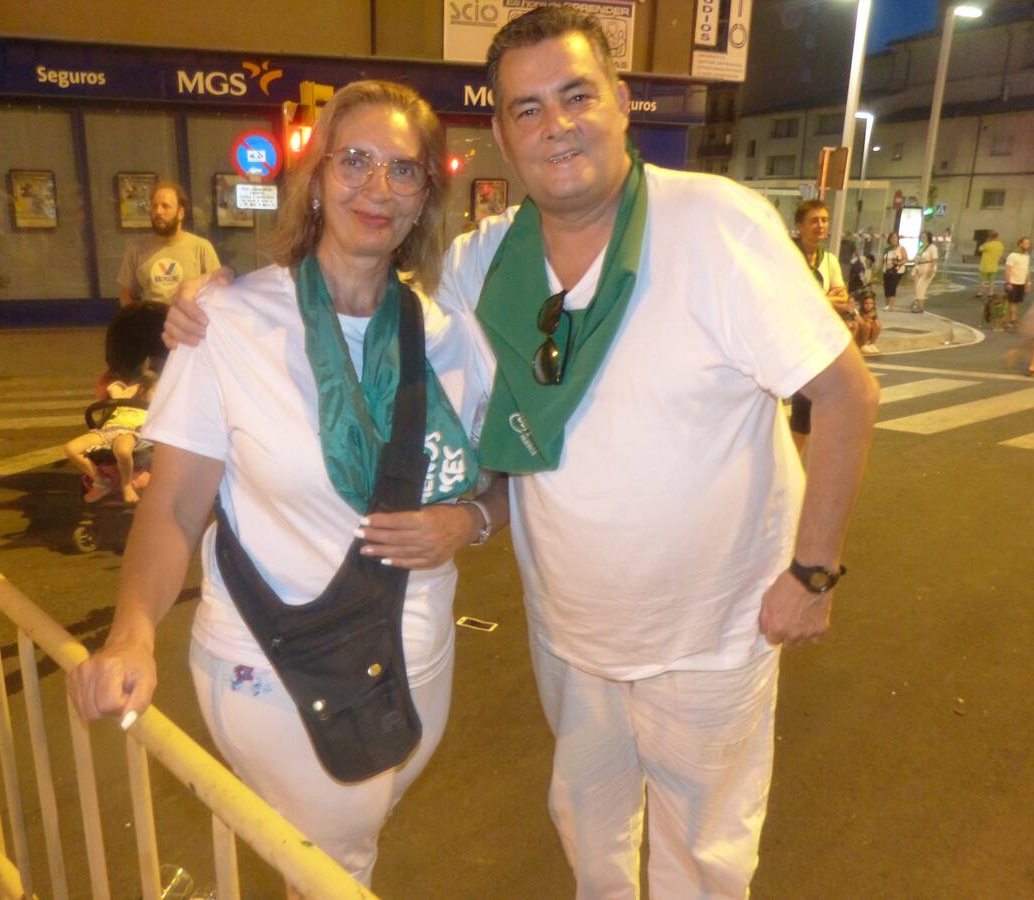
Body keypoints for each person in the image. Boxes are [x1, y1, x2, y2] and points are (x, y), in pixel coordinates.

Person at [167, 9, 879, 897]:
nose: (557, 126)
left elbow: (846, 393)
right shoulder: (485, 263)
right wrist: (221, 292)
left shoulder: (714, 225)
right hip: (571, 631)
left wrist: (813, 572)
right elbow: (362, 287)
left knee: (703, 857)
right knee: (590, 835)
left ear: (621, 103)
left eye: (577, 97)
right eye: (528, 109)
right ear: (502, 136)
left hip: (713, 632)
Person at [69, 80, 508, 890]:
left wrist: (469, 522)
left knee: (339, 850)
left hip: (418, 658)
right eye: (356, 160)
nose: (377, 187)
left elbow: (505, 483)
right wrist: (131, 633)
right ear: (316, 177)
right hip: (276, 662)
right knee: (337, 869)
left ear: (425, 197)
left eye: (403, 170)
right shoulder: (230, 323)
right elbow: (172, 504)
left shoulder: (451, 339)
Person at [790, 199, 863, 446]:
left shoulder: (829, 260)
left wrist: (814, 300)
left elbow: (842, 298)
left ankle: (795, 465)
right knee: (772, 409)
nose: (820, 225)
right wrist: (825, 299)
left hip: (816, 342)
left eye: (824, 220)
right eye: (814, 220)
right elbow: (789, 298)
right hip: (789, 340)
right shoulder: (788, 256)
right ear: (800, 226)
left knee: (804, 409)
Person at [116, 181, 220, 307]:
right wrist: (134, 316)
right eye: (154, 206)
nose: (158, 211)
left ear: (180, 213)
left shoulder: (201, 248)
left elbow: (218, 290)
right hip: (152, 318)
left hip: (189, 318)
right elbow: (125, 292)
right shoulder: (136, 249)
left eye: (165, 206)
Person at [64, 369, 157, 503]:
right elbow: (107, 393)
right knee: (71, 448)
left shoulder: (151, 402)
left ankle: (126, 484)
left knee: (123, 451)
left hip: (131, 430)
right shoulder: (127, 395)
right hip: (109, 429)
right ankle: (102, 481)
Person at [1004, 236, 1030, 330]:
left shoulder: (1026, 256)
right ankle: (1009, 320)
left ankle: (1012, 320)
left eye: (1029, 244)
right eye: (1026, 243)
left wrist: (1028, 281)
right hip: (1013, 283)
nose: (1028, 245)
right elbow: (1008, 270)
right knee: (1010, 302)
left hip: (1021, 283)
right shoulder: (1013, 255)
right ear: (1020, 244)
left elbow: (1026, 270)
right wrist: (1008, 283)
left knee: (1016, 303)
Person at [911, 229, 938, 314]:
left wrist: (931, 269)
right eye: (921, 237)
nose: (922, 238)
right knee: (917, 287)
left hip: (927, 267)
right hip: (919, 267)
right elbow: (917, 258)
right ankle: (919, 306)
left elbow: (934, 259)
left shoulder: (932, 247)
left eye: (924, 237)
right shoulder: (922, 247)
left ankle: (920, 307)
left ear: (928, 238)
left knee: (920, 287)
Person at [881, 231, 908, 311]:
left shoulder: (901, 248)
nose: (893, 239)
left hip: (897, 270)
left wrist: (898, 263)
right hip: (886, 269)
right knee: (886, 286)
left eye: (895, 237)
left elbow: (905, 259)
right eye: (892, 237)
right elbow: (883, 259)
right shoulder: (887, 249)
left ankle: (890, 305)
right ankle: (887, 304)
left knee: (892, 286)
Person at [976, 230, 1005, 300]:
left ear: (989, 237)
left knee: (983, 280)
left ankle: (980, 293)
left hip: (985, 265)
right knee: (992, 281)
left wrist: (986, 242)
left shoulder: (987, 245)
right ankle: (990, 293)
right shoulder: (1000, 245)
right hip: (994, 265)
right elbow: (1001, 254)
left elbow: (980, 249)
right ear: (997, 237)